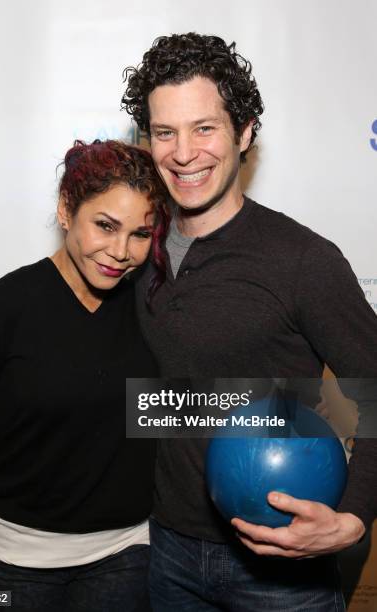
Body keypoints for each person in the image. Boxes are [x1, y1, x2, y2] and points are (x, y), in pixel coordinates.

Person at [122, 33, 377, 611]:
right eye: (165, 132)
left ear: (244, 133)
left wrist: (356, 516)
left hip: (282, 572)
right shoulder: (136, 248)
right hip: (166, 553)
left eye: (204, 128)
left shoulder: (303, 260)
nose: (183, 153)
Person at [0, 139, 169, 612]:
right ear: (67, 209)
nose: (120, 251)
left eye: (140, 234)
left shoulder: (152, 306)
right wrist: (22, 447)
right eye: (105, 226)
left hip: (125, 549)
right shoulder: (6, 307)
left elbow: (171, 408)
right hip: (17, 557)